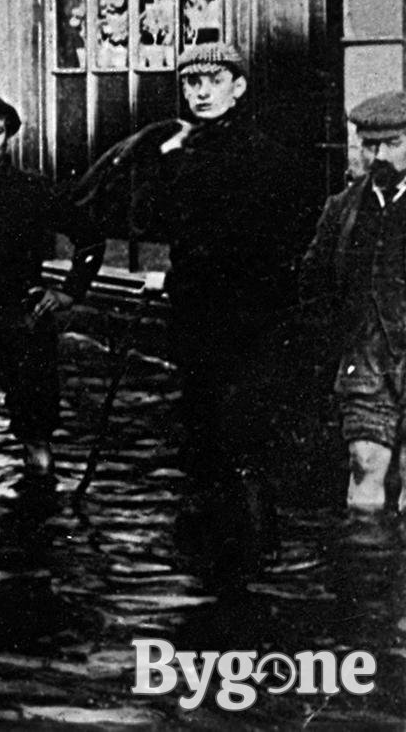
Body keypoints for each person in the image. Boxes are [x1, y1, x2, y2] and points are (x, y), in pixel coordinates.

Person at [79, 42, 316, 511]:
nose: (203, 92)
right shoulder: (177, 150)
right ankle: (207, 546)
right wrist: (160, 162)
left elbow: (287, 239)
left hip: (251, 317)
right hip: (195, 313)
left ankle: (246, 545)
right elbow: (148, 222)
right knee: (199, 426)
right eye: (192, 82)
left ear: (239, 87)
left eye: (215, 81)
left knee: (244, 435)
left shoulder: (267, 158)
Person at [0, 93, 104, 479]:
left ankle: (41, 529)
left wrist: (68, 291)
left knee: (37, 438)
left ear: (9, 137)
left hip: (25, 320)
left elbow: (90, 237)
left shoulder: (34, 190)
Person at [300, 91, 406, 514]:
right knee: (364, 463)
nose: (377, 156)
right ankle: (365, 570)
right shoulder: (343, 208)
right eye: (368, 145)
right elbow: (314, 280)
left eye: (392, 144)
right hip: (365, 353)